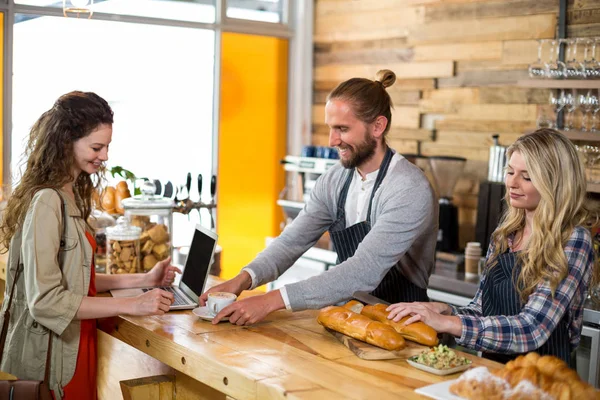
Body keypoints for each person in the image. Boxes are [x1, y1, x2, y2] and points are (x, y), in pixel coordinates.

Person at [201, 69, 438, 325]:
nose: (332, 140)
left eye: (342, 129)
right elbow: (293, 241)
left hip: (405, 324)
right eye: (330, 128)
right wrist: (242, 279)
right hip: (350, 318)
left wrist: (271, 300)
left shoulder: (407, 187)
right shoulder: (335, 180)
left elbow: (363, 271)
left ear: (378, 126)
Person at [0, 91, 181, 399]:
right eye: (97, 147)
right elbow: (45, 301)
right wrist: (132, 304)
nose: (106, 155)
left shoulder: (69, 192)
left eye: (107, 146)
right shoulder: (48, 200)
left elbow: (75, 279)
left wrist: (143, 280)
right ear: (66, 142)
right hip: (53, 359)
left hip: (74, 344)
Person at [387, 129, 599, 366]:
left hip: (544, 379)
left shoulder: (573, 239)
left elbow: (532, 329)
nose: (512, 183)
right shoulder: (505, 235)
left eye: (526, 177)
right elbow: (481, 311)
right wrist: (446, 312)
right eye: (510, 172)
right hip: (492, 370)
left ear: (556, 183)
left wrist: (448, 324)